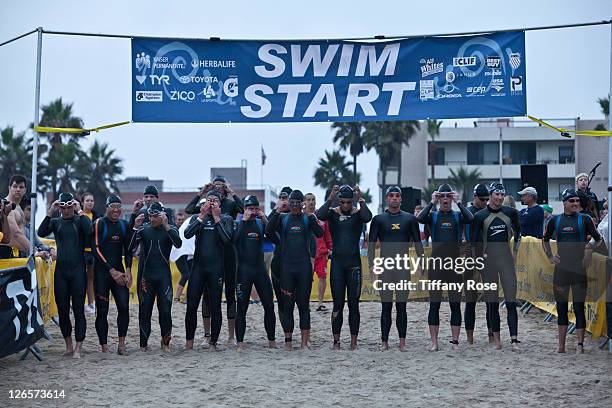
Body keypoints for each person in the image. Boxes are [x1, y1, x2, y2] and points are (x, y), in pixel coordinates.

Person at [542, 189, 602, 353]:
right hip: (561, 270)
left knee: (578, 307)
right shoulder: (555, 220)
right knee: (561, 308)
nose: (575, 204)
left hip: (579, 270)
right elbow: (545, 240)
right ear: (564, 203)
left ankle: (580, 345)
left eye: (577, 201)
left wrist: (589, 248)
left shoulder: (585, 219)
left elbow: (598, 239)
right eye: (571, 201)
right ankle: (561, 346)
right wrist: (550, 257)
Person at [185, 175, 243, 344]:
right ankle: (199, 338)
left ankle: (225, 338)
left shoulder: (227, 213)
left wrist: (218, 216)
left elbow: (227, 239)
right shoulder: (201, 215)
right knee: (198, 301)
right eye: (208, 199)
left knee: (224, 299)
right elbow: (188, 228)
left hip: (223, 260)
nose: (211, 202)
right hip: (201, 264)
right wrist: (201, 211)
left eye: (215, 200)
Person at [417, 184, 473, 351]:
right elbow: (419, 218)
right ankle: (434, 342)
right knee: (434, 304)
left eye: (448, 196)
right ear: (439, 198)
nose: (446, 199)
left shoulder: (457, 216)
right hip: (436, 265)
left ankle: (455, 342)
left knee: (455, 304)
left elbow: (470, 219)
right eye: (443, 196)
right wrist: (431, 202)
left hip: (454, 266)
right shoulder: (433, 216)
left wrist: (459, 202)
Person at [265, 189, 323, 351]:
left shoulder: (307, 219)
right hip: (287, 268)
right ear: (289, 204)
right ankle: (288, 342)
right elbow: (268, 231)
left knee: (303, 305)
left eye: (298, 203)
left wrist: (313, 218)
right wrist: (277, 211)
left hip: (303, 267)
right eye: (292, 203)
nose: (295, 206)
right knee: (288, 305)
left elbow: (319, 233)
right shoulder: (283, 219)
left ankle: (304, 343)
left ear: (302, 204)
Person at [368, 186, 424, 351]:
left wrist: (421, 264)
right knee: (386, 306)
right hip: (385, 267)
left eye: (397, 196)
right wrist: (372, 266)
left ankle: (402, 342)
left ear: (401, 199)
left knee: (401, 306)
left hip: (402, 268)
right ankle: (384, 341)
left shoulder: (409, 219)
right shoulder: (378, 219)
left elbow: (418, 243)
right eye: (391, 195)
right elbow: (371, 245)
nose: (394, 198)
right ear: (387, 199)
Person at [317, 185, 372, 350]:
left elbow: (367, 216)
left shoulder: (357, 214)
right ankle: (336, 341)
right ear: (339, 200)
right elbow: (319, 214)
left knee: (354, 305)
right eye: (343, 202)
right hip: (338, 265)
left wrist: (361, 198)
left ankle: (354, 341)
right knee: (338, 304)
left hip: (354, 265)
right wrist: (330, 198)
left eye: (349, 202)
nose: (346, 205)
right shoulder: (333, 213)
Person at [38, 192, 93, 358]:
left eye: (70, 206)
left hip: (78, 271)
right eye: (63, 207)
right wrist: (50, 212)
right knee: (62, 311)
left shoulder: (79, 220)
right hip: (61, 272)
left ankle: (78, 347)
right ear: (59, 207)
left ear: (73, 206)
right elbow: (41, 232)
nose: (67, 210)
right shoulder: (56, 222)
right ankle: (68, 346)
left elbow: (89, 230)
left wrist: (80, 211)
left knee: (78, 311)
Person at [471, 182, 521, 350]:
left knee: (511, 301)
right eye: (496, 194)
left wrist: (515, 250)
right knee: (492, 302)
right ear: (491, 196)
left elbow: (519, 233)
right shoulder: (480, 216)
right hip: (488, 263)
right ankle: (497, 339)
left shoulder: (511, 213)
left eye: (502, 194)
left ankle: (514, 339)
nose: (499, 198)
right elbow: (474, 243)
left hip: (506, 261)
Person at [129, 202, 182, 352]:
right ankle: (143, 345)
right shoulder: (144, 230)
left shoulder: (170, 229)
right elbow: (130, 247)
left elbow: (178, 244)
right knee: (144, 310)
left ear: (163, 215)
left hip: (163, 276)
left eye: (155, 216)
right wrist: (135, 228)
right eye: (150, 216)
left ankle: (165, 344)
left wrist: (166, 225)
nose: (152, 219)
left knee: (165, 311)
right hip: (147, 276)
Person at [234, 195, 276, 350]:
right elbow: (233, 240)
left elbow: (274, 236)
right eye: (249, 208)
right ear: (244, 209)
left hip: (259, 270)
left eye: (255, 208)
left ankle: (271, 341)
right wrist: (244, 221)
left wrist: (264, 218)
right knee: (242, 308)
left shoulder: (260, 223)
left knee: (269, 306)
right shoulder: (238, 224)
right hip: (243, 271)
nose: (252, 211)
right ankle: (240, 343)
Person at [92, 195, 133, 354]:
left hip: (119, 272)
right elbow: (95, 249)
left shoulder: (124, 225)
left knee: (124, 306)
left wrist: (128, 269)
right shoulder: (99, 223)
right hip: (102, 273)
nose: (116, 209)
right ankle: (104, 347)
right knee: (102, 310)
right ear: (106, 207)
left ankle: (121, 344)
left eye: (118, 206)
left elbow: (128, 250)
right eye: (112, 206)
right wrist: (111, 270)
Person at [463, 183, 491, 343]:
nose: (485, 202)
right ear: (474, 198)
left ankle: (491, 334)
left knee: (490, 298)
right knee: (470, 299)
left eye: (487, 199)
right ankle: (470, 336)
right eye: (482, 199)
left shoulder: (489, 212)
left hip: (486, 258)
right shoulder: (466, 212)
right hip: (470, 259)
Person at [267, 186, 293, 324]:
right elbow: (267, 228)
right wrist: (277, 209)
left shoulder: (298, 216)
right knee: (281, 302)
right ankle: (286, 332)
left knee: (293, 302)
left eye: (287, 198)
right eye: (282, 198)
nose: (285, 201)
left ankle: (295, 330)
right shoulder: (277, 215)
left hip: (295, 263)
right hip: (279, 262)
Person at [305, 192, 332, 312]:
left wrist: (330, 248)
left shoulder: (321, 216)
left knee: (322, 278)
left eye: (313, 199)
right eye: (309, 199)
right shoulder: (301, 217)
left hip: (321, 253)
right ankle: (305, 302)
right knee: (306, 279)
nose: (311, 202)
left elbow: (327, 235)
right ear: (304, 202)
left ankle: (320, 303)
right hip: (306, 254)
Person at [170, 209, 195, 303]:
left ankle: (187, 297)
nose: (181, 221)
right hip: (178, 253)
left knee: (192, 275)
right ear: (175, 220)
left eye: (182, 220)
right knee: (185, 274)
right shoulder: (173, 229)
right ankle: (176, 297)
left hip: (188, 253)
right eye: (179, 220)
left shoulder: (186, 228)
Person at [2, 175, 29, 255]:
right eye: (15, 186)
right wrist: (34, 251)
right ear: (9, 188)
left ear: (25, 190)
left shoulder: (18, 207)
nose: (18, 189)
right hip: (7, 255)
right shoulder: (6, 206)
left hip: (19, 254)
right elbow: (16, 233)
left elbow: (24, 232)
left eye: (21, 187)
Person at [82, 193, 100, 314]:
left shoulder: (97, 216)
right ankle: (81, 304)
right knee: (80, 279)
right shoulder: (78, 216)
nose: (90, 202)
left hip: (93, 252)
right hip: (81, 252)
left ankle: (91, 303)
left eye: (92, 200)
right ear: (82, 202)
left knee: (91, 278)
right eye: (87, 200)